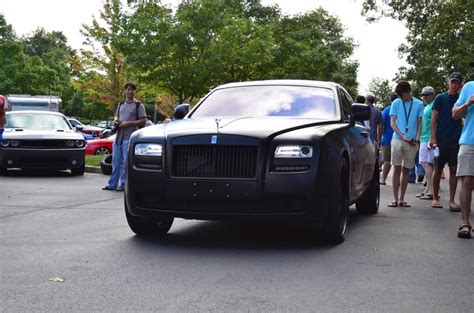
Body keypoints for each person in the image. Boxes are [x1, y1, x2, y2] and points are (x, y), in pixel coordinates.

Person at [103, 83, 146, 191]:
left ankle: (123, 184)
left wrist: (128, 123)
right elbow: (117, 115)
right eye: (128, 89)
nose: (130, 92)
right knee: (115, 162)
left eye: (132, 90)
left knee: (125, 163)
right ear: (125, 91)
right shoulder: (121, 103)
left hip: (129, 137)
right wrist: (116, 120)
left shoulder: (138, 105)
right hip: (118, 137)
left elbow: (143, 120)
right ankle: (112, 184)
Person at [430, 72, 463, 210]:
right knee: (438, 168)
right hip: (442, 138)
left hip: (456, 138)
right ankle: (435, 197)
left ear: (460, 85)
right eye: (452, 81)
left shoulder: (462, 98)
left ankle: (451, 200)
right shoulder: (440, 98)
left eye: (457, 82)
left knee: (454, 169)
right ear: (448, 82)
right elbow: (433, 119)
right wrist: (433, 137)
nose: (454, 84)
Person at [387, 81, 424, 207]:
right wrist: (403, 136)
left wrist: (417, 138)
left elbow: (420, 123)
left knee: (406, 170)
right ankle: (395, 198)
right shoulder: (396, 103)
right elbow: (392, 123)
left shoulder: (419, 104)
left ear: (408, 92)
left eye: (402, 95)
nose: (400, 97)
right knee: (396, 168)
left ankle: (402, 198)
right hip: (398, 139)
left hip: (412, 142)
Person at [452, 62, 474, 238]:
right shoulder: (469, 87)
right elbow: (455, 114)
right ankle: (465, 223)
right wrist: (467, 103)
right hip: (469, 141)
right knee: (467, 180)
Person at [416, 86, 436, 200]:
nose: (424, 97)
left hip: (428, 138)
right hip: (425, 137)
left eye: (427, 95)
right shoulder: (428, 106)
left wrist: (432, 138)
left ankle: (432, 190)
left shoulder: (433, 105)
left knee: (426, 164)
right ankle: (427, 189)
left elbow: (436, 122)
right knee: (427, 164)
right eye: (423, 95)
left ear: (432, 94)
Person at [379, 94, 397, 185]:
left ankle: (383, 179)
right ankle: (397, 181)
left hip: (387, 139)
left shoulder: (386, 110)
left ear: (390, 100)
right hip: (400, 138)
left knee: (387, 160)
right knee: (398, 162)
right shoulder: (401, 109)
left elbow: (381, 126)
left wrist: (379, 138)